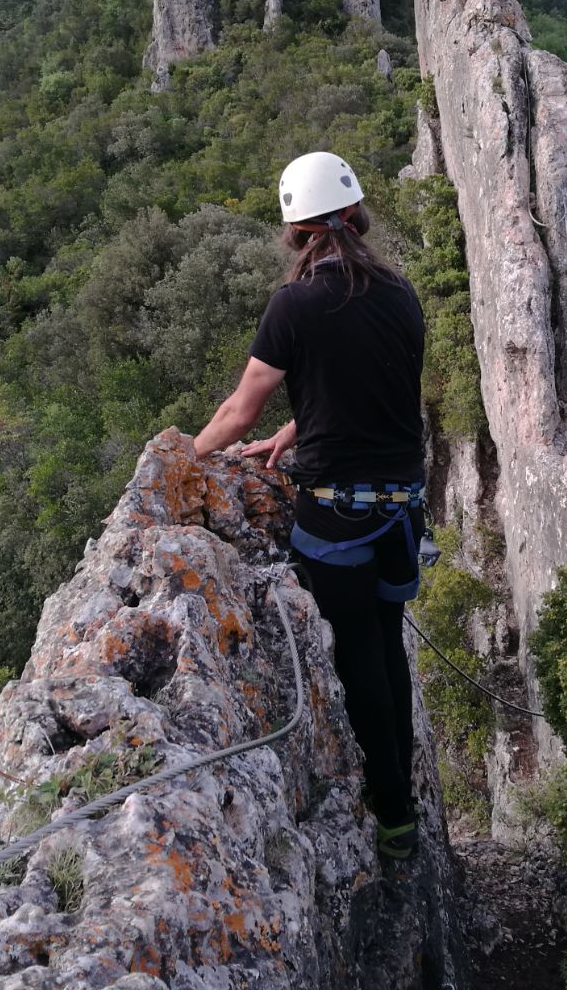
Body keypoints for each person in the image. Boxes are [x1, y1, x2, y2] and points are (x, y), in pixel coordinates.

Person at [191, 151, 427, 860]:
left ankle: (391, 815)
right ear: (354, 217)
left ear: (298, 234)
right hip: (403, 507)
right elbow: (367, 390)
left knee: (358, 658)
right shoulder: (402, 294)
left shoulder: (294, 305)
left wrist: (181, 460)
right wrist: (293, 433)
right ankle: (401, 798)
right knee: (388, 646)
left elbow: (236, 411)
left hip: (336, 514)